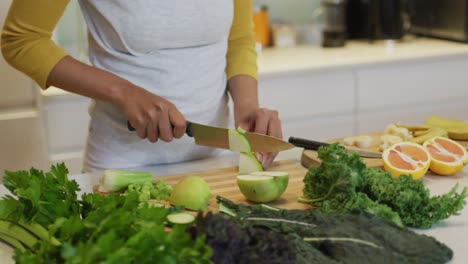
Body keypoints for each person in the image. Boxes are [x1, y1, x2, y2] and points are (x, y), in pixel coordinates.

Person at [1, 0, 282, 172]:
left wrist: (247, 109)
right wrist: (123, 92)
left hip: (216, 160)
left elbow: (239, 38)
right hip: (124, 165)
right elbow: (22, 39)